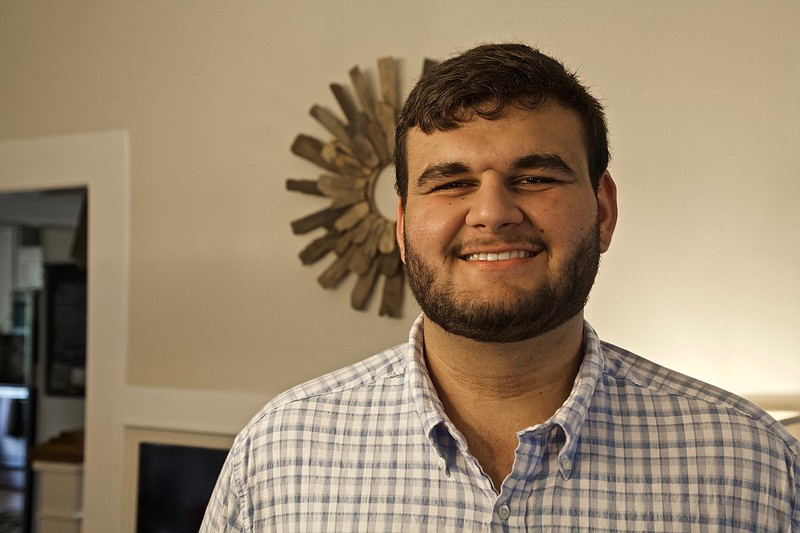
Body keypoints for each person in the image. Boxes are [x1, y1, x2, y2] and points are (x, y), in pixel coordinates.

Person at [201, 43, 798, 531]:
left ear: (603, 209)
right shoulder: (279, 454)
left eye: (535, 176)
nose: (492, 213)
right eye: (452, 182)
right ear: (404, 226)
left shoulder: (754, 464)